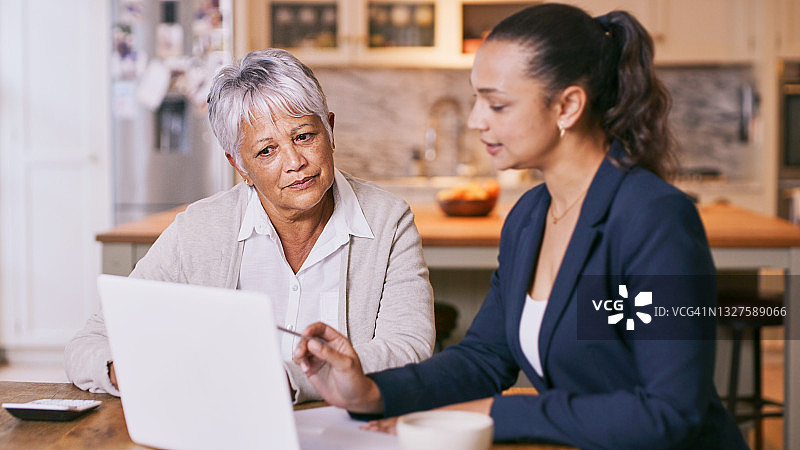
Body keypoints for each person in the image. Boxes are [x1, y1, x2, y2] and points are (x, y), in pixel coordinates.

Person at [293, 4, 748, 448]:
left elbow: (669, 412)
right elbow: (486, 358)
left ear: (567, 105)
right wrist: (372, 392)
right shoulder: (531, 215)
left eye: (497, 104)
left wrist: (494, 413)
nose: (475, 121)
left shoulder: (654, 220)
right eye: (477, 100)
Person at [65, 49, 435, 404]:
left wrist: (288, 379)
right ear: (239, 165)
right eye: (266, 151)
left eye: (304, 136)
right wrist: (125, 370)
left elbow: (409, 348)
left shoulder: (389, 221)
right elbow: (90, 343)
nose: (294, 162)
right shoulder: (199, 230)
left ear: (330, 130)